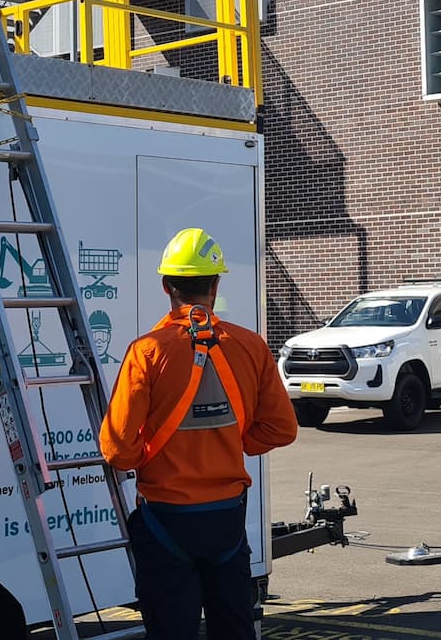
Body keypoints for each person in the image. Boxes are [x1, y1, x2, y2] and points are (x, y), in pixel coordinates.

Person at [98, 228, 297, 640]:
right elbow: (283, 428)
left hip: (166, 521)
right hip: (227, 519)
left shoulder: (147, 352)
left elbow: (118, 450)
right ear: (216, 284)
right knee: (235, 630)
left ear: (166, 285)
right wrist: (241, 441)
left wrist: (147, 456)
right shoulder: (251, 346)